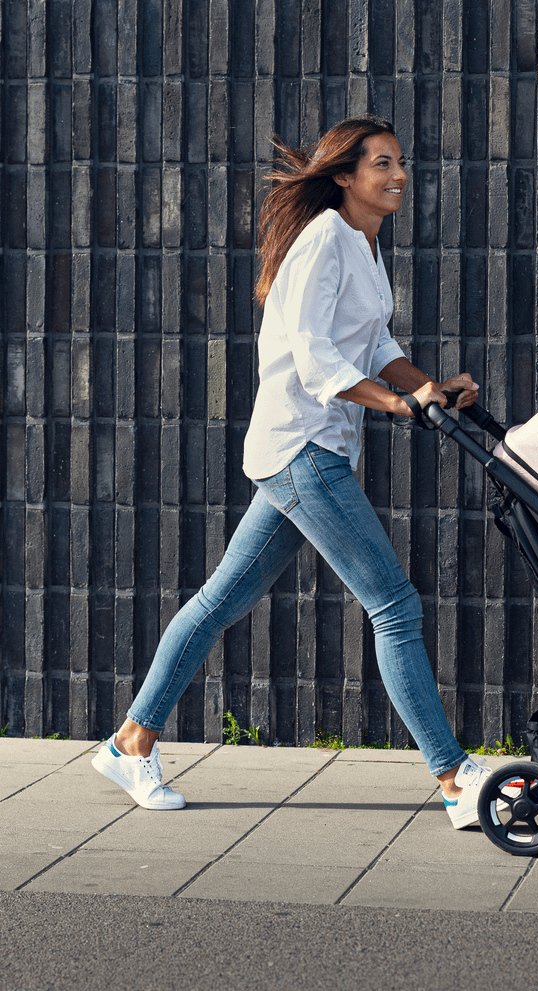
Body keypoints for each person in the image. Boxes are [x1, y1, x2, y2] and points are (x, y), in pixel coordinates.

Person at [92, 114, 490, 828]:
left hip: (308, 450)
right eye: (382, 164)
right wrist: (397, 404)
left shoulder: (363, 244)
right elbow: (315, 361)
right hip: (302, 449)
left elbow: (375, 343)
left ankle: (130, 742)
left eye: (400, 162)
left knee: (218, 601)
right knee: (394, 605)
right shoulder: (323, 241)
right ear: (344, 175)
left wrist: (429, 387)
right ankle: (454, 777)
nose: (399, 175)